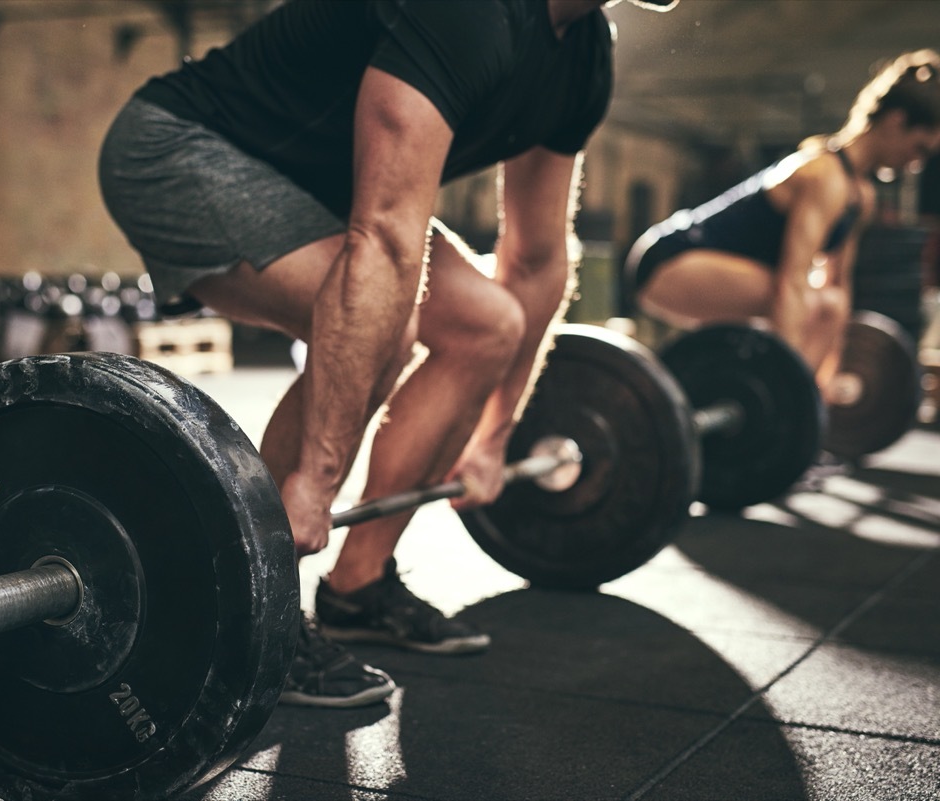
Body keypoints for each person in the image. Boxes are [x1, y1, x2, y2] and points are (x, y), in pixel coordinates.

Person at [99, 0, 677, 709]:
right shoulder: (476, 12)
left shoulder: (583, 51)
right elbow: (385, 237)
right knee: (384, 331)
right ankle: (250, 616)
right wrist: (316, 477)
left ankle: (359, 585)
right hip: (183, 150)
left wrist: (496, 434)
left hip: (321, 191)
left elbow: (535, 259)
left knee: (487, 324)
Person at [626, 49, 940, 401]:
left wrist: (828, 375)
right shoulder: (824, 176)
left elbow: (839, 286)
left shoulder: (860, 196)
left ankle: (796, 402)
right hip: (667, 261)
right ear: (896, 122)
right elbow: (791, 284)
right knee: (809, 301)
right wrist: (789, 388)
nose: (916, 164)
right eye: (920, 148)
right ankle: (783, 400)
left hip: (724, 272)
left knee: (829, 303)